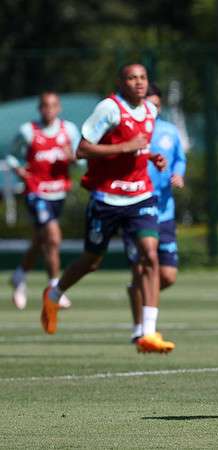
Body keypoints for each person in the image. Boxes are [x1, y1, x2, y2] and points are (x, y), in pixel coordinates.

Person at [40, 63, 175, 353]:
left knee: (149, 256)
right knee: (92, 260)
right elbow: (82, 149)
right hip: (107, 198)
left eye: (143, 78)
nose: (138, 83)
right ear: (121, 82)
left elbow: (138, 147)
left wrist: (152, 157)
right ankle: (54, 294)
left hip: (140, 195)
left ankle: (148, 334)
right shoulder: (109, 109)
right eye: (132, 78)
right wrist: (125, 147)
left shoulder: (151, 111)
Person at [123, 84, 186, 343]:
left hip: (164, 212)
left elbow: (180, 159)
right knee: (143, 265)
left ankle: (138, 295)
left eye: (158, 105)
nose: (154, 109)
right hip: (135, 209)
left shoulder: (169, 131)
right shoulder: (131, 132)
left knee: (168, 275)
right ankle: (143, 329)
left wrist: (179, 174)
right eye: (151, 104)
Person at [6, 92, 79, 310]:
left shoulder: (70, 130)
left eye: (54, 105)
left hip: (58, 193)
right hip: (36, 192)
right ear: (40, 109)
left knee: (40, 240)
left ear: (59, 108)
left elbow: (79, 159)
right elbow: (12, 155)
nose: (49, 110)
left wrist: (73, 157)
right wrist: (18, 168)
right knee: (54, 238)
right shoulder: (28, 131)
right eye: (45, 106)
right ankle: (55, 289)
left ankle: (19, 275)